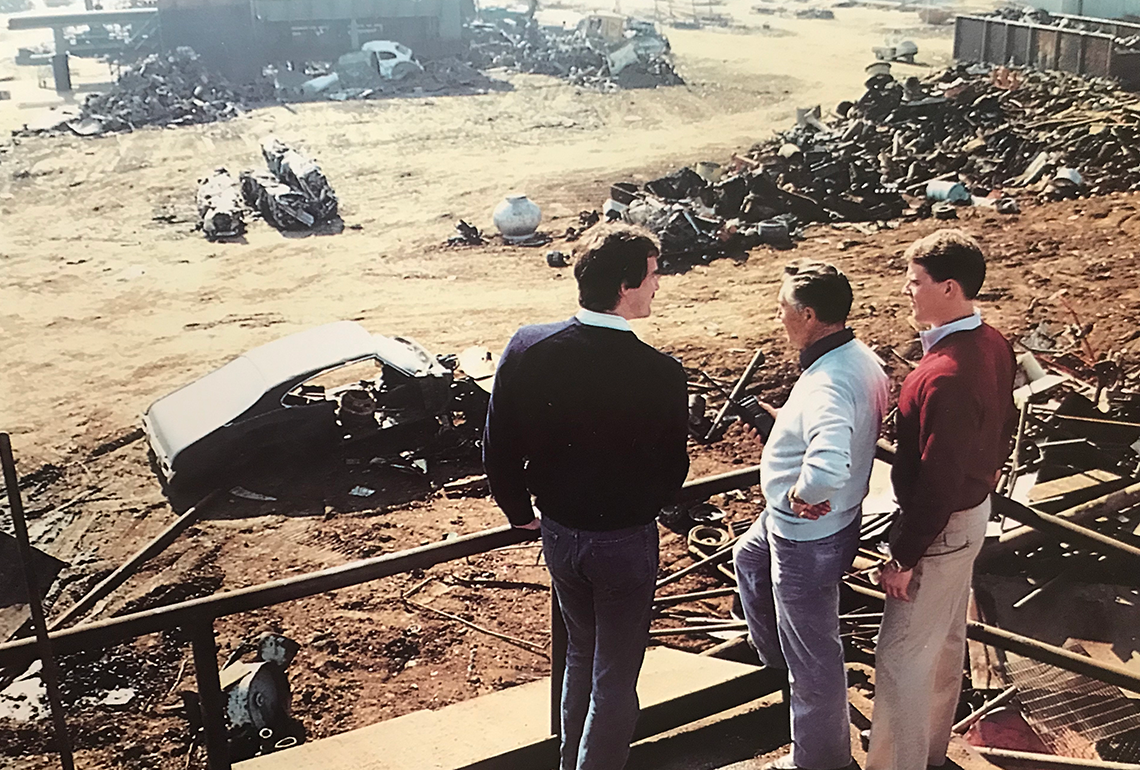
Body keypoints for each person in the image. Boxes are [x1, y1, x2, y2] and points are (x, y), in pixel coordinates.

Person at [482, 224, 690, 770]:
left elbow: (496, 446)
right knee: (616, 678)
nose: (657, 287)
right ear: (625, 285)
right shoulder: (661, 373)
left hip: (557, 534)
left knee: (581, 653)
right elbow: (672, 473)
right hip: (622, 543)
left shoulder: (528, 345)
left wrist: (519, 514)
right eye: (651, 276)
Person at [866, 230, 1016, 770]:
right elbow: (1005, 425)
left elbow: (937, 479)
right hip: (972, 516)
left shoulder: (945, 373)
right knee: (946, 645)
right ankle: (927, 755)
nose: (907, 290)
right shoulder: (994, 342)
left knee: (901, 657)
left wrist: (904, 556)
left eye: (916, 282)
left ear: (949, 287)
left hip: (941, 527)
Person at [733, 260, 889, 770]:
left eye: (782, 309)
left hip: (805, 532)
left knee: (816, 655)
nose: (777, 317)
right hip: (824, 522)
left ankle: (821, 760)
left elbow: (828, 461)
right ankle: (776, 659)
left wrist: (807, 492)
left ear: (807, 314)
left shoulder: (826, 382)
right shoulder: (857, 358)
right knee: (748, 558)